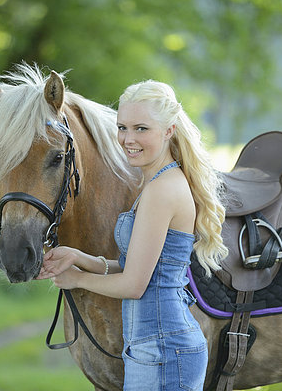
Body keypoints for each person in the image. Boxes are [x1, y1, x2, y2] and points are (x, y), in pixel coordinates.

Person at [35, 80, 228, 390]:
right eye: (122, 127)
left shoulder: (162, 191)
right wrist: (79, 258)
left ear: (168, 131)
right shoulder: (154, 184)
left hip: (164, 350)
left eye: (141, 129)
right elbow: (139, 268)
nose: (127, 139)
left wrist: (78, 279)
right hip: (152, 347)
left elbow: (135, 285)